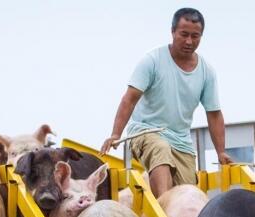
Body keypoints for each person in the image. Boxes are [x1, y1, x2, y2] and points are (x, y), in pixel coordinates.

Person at [100, 8, 233, 197]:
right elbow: (129, 99)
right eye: (184, 34)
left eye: (195, 36)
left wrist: (221, 152)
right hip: (145, 131)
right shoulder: (152, 61)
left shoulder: (206, 71)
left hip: (180, 140)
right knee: (160, 149)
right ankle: (164, 210)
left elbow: (214, 114)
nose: (189, 41)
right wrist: (115, 134)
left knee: (188, 192)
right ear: (172, 32)